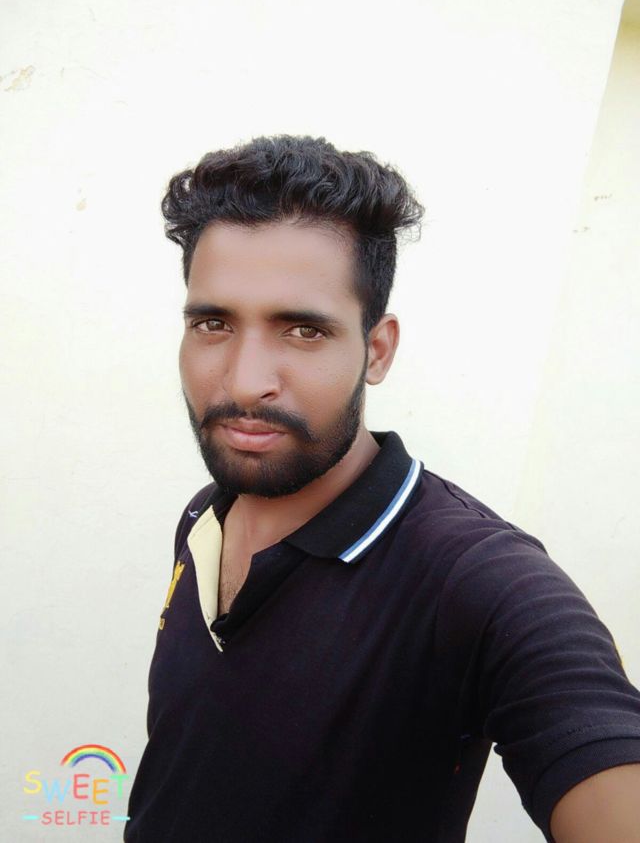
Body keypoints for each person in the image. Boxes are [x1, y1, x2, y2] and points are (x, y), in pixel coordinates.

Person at [125, 135, 640, 842]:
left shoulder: (478, 580)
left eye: (303, 330)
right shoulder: (203, 517)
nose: (245, 382)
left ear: (377, 348)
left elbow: (591, 737)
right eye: (213, 323)